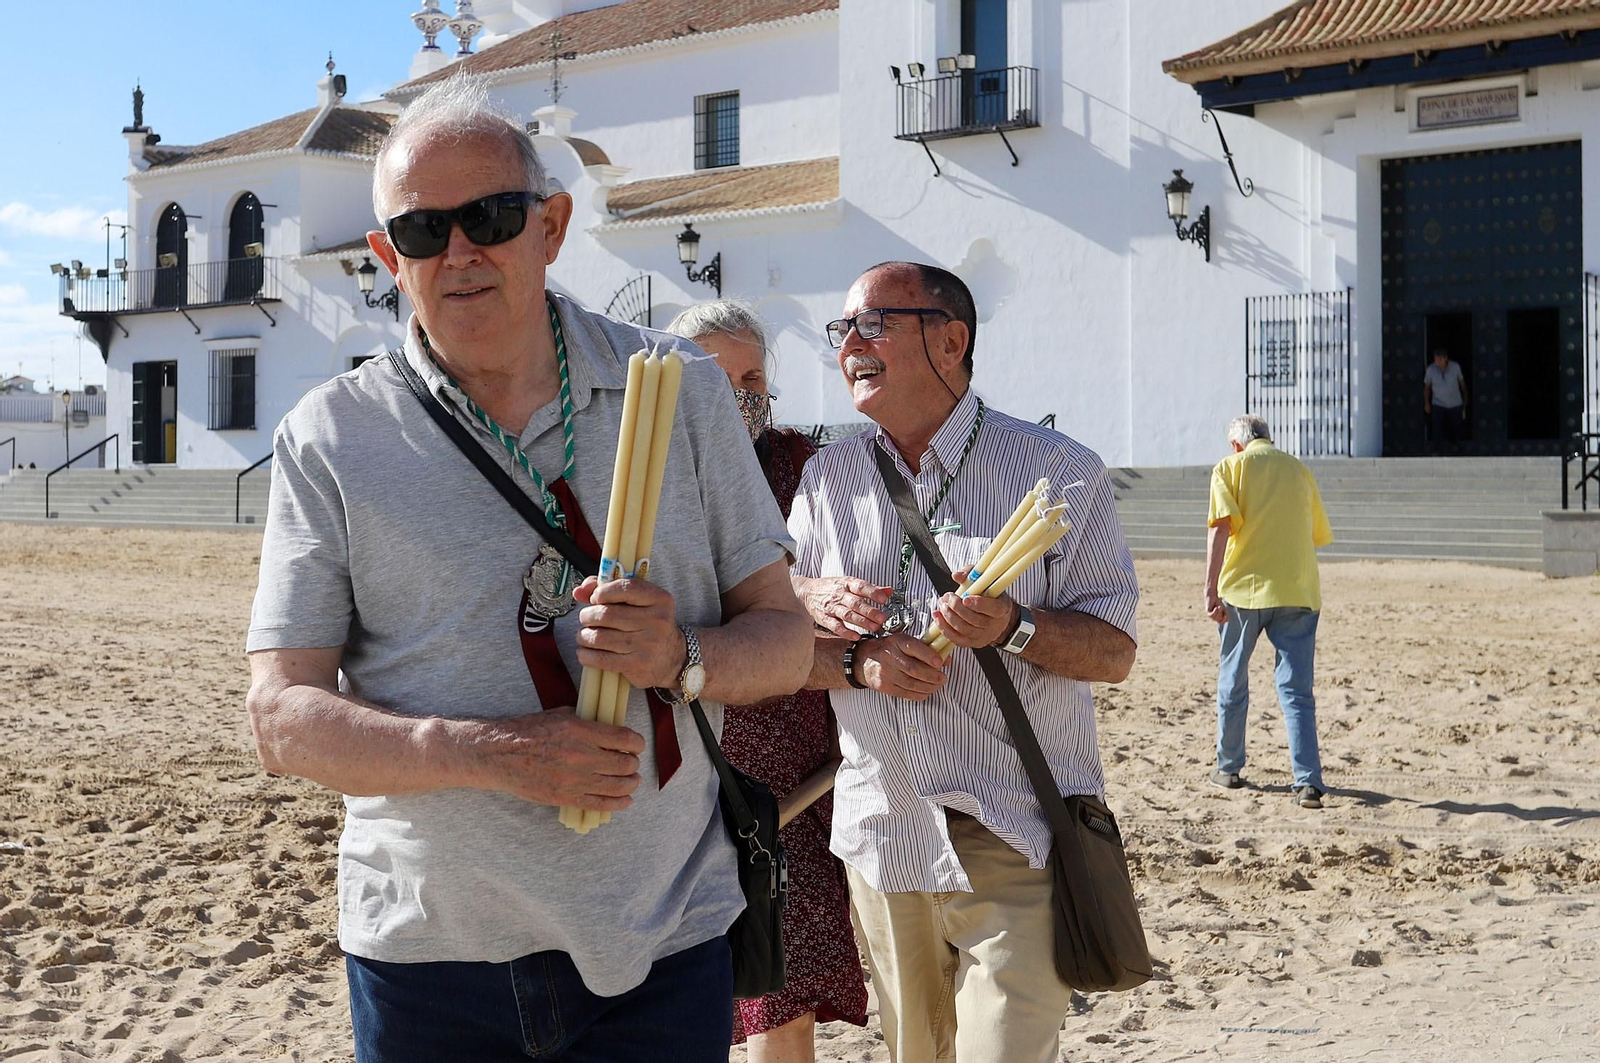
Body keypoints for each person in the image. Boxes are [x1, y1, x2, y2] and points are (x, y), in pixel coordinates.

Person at [244, 76, 812, 1063]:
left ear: (550, 226)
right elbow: (281, 717)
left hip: (663, 937)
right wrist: (484, 751)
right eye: (423, 231)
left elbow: (785, 639)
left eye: (492, 217)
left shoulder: (679, 392)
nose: (459, 251)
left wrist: (681, 656)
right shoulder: (330, 436)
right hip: (430, 953)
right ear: (388, 257)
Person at [787, 262, 1139, 1063]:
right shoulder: (828, 478)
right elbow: (780, 640)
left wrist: (1012, 625)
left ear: (951, 341)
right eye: (843, 329)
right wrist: (857, 659)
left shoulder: (1060, 472)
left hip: (1016, 832)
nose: (850, 345)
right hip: (885, 833)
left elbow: (1114, 650)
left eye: (875, 323)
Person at [667, 301, 868, 1063]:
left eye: (752, 377)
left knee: (783, 982)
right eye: (716, 378)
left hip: (803, 758)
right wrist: (800, 591)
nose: (738, 395)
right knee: (693, 986)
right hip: (697, 753)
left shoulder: (802, 463)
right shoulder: (651, 470)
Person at [1203, 415, 1334, 810]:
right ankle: (1308, 782)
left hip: (1243, 589)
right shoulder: (1299, 470)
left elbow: (1220, 529)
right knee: (1297, 691)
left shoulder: (1229, 468)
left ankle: (1228, 768)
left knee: (1233, 678)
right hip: (1297, 588)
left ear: (1236, 444)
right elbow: (1315, 532)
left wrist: (1209, 589)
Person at [1423, 347, 1468, 453]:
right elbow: (1427, 387)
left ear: (1445, 358)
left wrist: (1465, 398)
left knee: (1458, 428)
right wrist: (1426, 403)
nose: (1437, 361)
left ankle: (1461, 451)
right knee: (1437, 429)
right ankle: (1438, 451)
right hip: (1438, 404)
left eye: (1439, 359)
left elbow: (1462, 384)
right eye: (1435, 359)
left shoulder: (1455, 367)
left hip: (1455, 403)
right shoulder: (1430, 369)